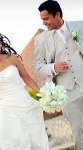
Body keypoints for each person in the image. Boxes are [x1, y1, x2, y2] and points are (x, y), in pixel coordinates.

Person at [0, 30, 49, 150]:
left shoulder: (12, 59)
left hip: (25, 104)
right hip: (4, 107)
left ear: (0, 43)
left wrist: (44, 92)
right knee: (13, 142)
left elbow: (27, 79)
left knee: (36, 142)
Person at [34, 1, 83, 149]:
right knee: (79, 130)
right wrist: (53, 67)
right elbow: (38, 67)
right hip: (67, 91)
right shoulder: (41, 40)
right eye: (42, 19)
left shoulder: (80, 26)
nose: (44, 23)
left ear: (57, 15)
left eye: (46, 18)